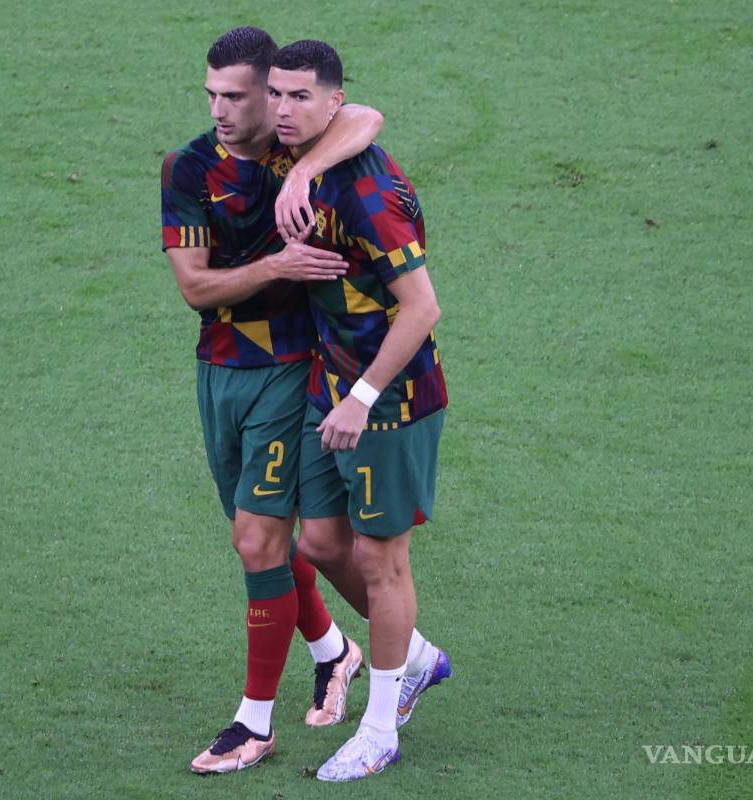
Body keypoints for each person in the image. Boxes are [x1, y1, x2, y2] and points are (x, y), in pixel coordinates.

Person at [160, 26, 381, 775]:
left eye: (236, 96)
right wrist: (281, 261)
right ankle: (336, 650)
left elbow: (367, 116)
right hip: (219, 371)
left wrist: (302, 172)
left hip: (293, 368)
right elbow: (194, 287)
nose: (221, 110)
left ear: (272, 96)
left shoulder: (300, 147)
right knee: (264, 544)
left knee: (257, 542)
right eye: (211, 95)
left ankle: (253, 724)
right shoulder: (189, 168)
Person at [267, 39, 452, 781]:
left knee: (381, 559)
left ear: (331, 102)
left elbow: (422, 309)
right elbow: (366, 112)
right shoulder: (303, 153)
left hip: (391, 396)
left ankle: (380, 729)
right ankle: (413, 656)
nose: (282, 108)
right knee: (317, 543)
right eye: (275, 93)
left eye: (300, 96)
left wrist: (363, 398)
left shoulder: (367, 198)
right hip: (329, 381)